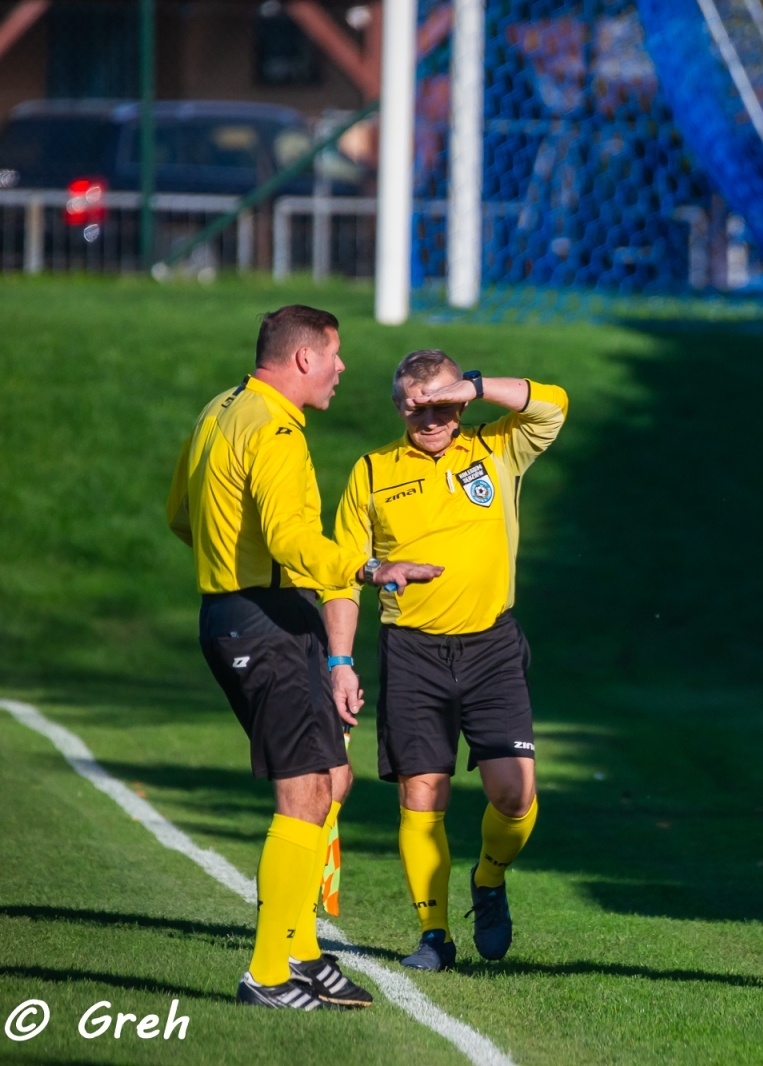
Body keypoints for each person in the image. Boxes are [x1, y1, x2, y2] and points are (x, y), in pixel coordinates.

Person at [166, 306, 442, 1009]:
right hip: (262, 621)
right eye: (334, 355)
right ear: (302, 359)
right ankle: (267, 973)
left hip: (250, 614)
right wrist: (371, 568)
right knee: (303, 793)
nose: (342, 368)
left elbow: (180, 514)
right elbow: (291, 539)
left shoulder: (219, 409)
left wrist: (229, 562)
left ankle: (305, 953)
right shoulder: (275, 429)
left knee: (331, 779)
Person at [323, 350, 567, 971]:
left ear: (459, 402)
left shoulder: (497, 447)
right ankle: (433, 935)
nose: (430, 419)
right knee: (422, 794)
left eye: (442, 405)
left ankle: (489, 880)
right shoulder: (372, 471)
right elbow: (342, 575)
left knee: (515, 796)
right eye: (416, 407)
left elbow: (553, 405)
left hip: (491, 647)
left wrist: (476, 387)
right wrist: (340, 661)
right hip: (412, 653)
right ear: (399, 406)